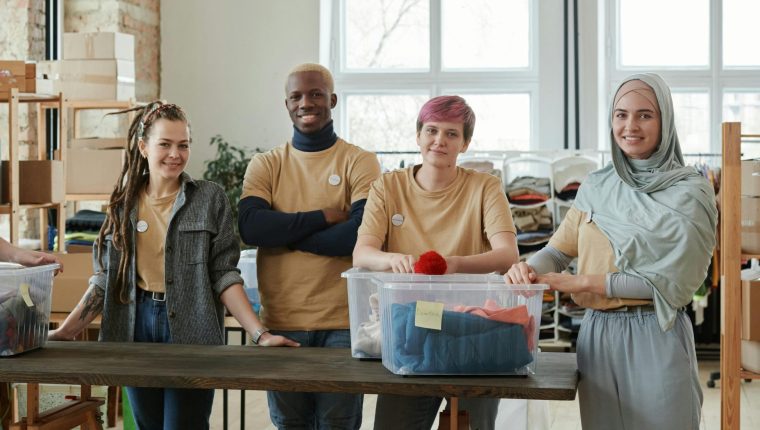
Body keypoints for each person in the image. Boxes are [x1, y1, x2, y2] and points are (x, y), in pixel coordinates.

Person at [48, 101, 297, 430]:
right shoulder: (122, 203)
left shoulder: (209, 198)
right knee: (148, 425)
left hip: (192, 326)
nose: (175, 154)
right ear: (143, 147)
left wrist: (260, 333)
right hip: (135, 326)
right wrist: (66, 332)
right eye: (165, 144)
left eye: (183, 145)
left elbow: (224, 274)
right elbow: (106, 279)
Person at [505, 73, 717, 429]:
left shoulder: (690, 192)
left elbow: (672, 287)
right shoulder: (597, 185)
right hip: (598, 336)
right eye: (621, 114)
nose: (630, 125)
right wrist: (526, 267)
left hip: (657, 333)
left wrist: (581, 283)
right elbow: (558, 251)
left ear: (665, 119)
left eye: (645, 115)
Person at [352, 95, 520, 430]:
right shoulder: (388, 185)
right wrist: (393, 259)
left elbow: (507, 255)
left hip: (471, 329)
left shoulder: (485, 187)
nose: (439, 140)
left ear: (466, 143)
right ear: (418, 136)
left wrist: (454, 263)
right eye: (431, 130)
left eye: (451, 134)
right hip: (408, 328)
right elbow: (362, 254)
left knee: (475, 424)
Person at [238, 63, 381, 429]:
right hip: (282, 322)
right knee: (289, 423)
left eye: (316, 94)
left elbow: (357, 236)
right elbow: (252, 227)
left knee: (339, 423)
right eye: (297, 96)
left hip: (344, 323)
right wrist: (322, 216)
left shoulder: (359, 161)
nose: (307, 102)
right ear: (286, 104)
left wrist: (284, 230)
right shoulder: (266, 164)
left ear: (332, 99)